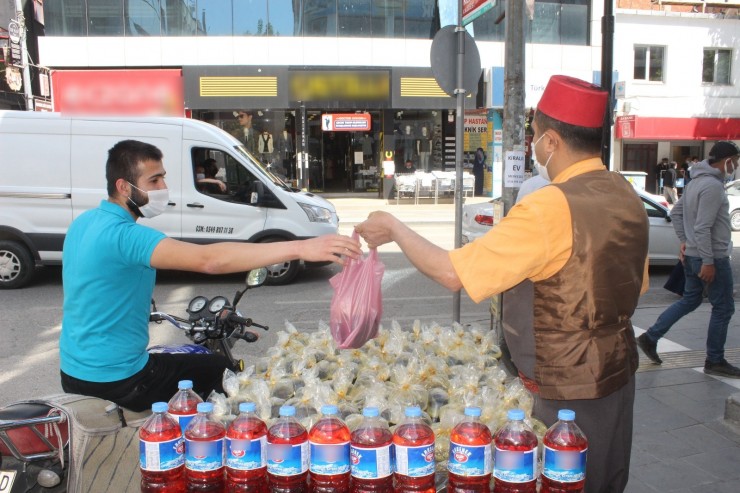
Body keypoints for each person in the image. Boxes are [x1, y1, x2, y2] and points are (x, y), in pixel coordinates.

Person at [356, 75, 649, 493]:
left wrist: (394, 228)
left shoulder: (550, 205)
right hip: (619, 376)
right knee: (606, 479)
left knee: (564, 483)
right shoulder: (625, 194)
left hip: (568, 392)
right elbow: (635, 287)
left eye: (533, 137)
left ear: (551, 142)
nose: (532, 146)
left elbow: (452, 272)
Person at [59, 140, 361, 412]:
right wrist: (302, 247)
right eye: (154, 180)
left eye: (163, 176)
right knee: (216, 368)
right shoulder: (127, 236)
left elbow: (98, 283)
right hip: (121, 378)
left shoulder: (85, 222)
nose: (163, 186)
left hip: (73, 373)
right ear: (124, 187)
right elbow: (209, 260)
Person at [637, 141, 740, 378]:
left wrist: (684, 241)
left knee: (691, 300)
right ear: (727, 161)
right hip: (710, 256)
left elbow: (677, 213)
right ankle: (715, 360)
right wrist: (708, 261)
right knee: (723, 308)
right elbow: (704, 227)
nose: (735, 166)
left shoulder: (696, 182)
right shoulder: (713, 186)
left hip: (693, 254)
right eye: (735, 161)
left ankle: (650, 336)